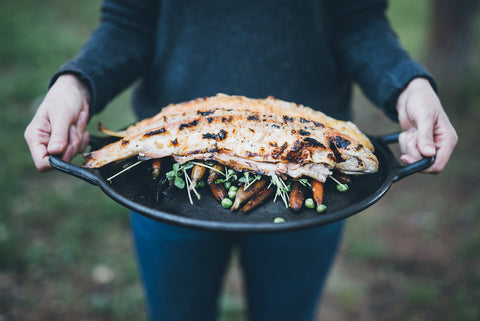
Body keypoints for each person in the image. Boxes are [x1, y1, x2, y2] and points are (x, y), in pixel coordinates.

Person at [24, 1, 457, 320]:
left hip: (307, 190)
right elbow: (128, 21)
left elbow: (358, 20)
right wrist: (76, 83)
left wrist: (409, 86)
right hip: (165, 184)